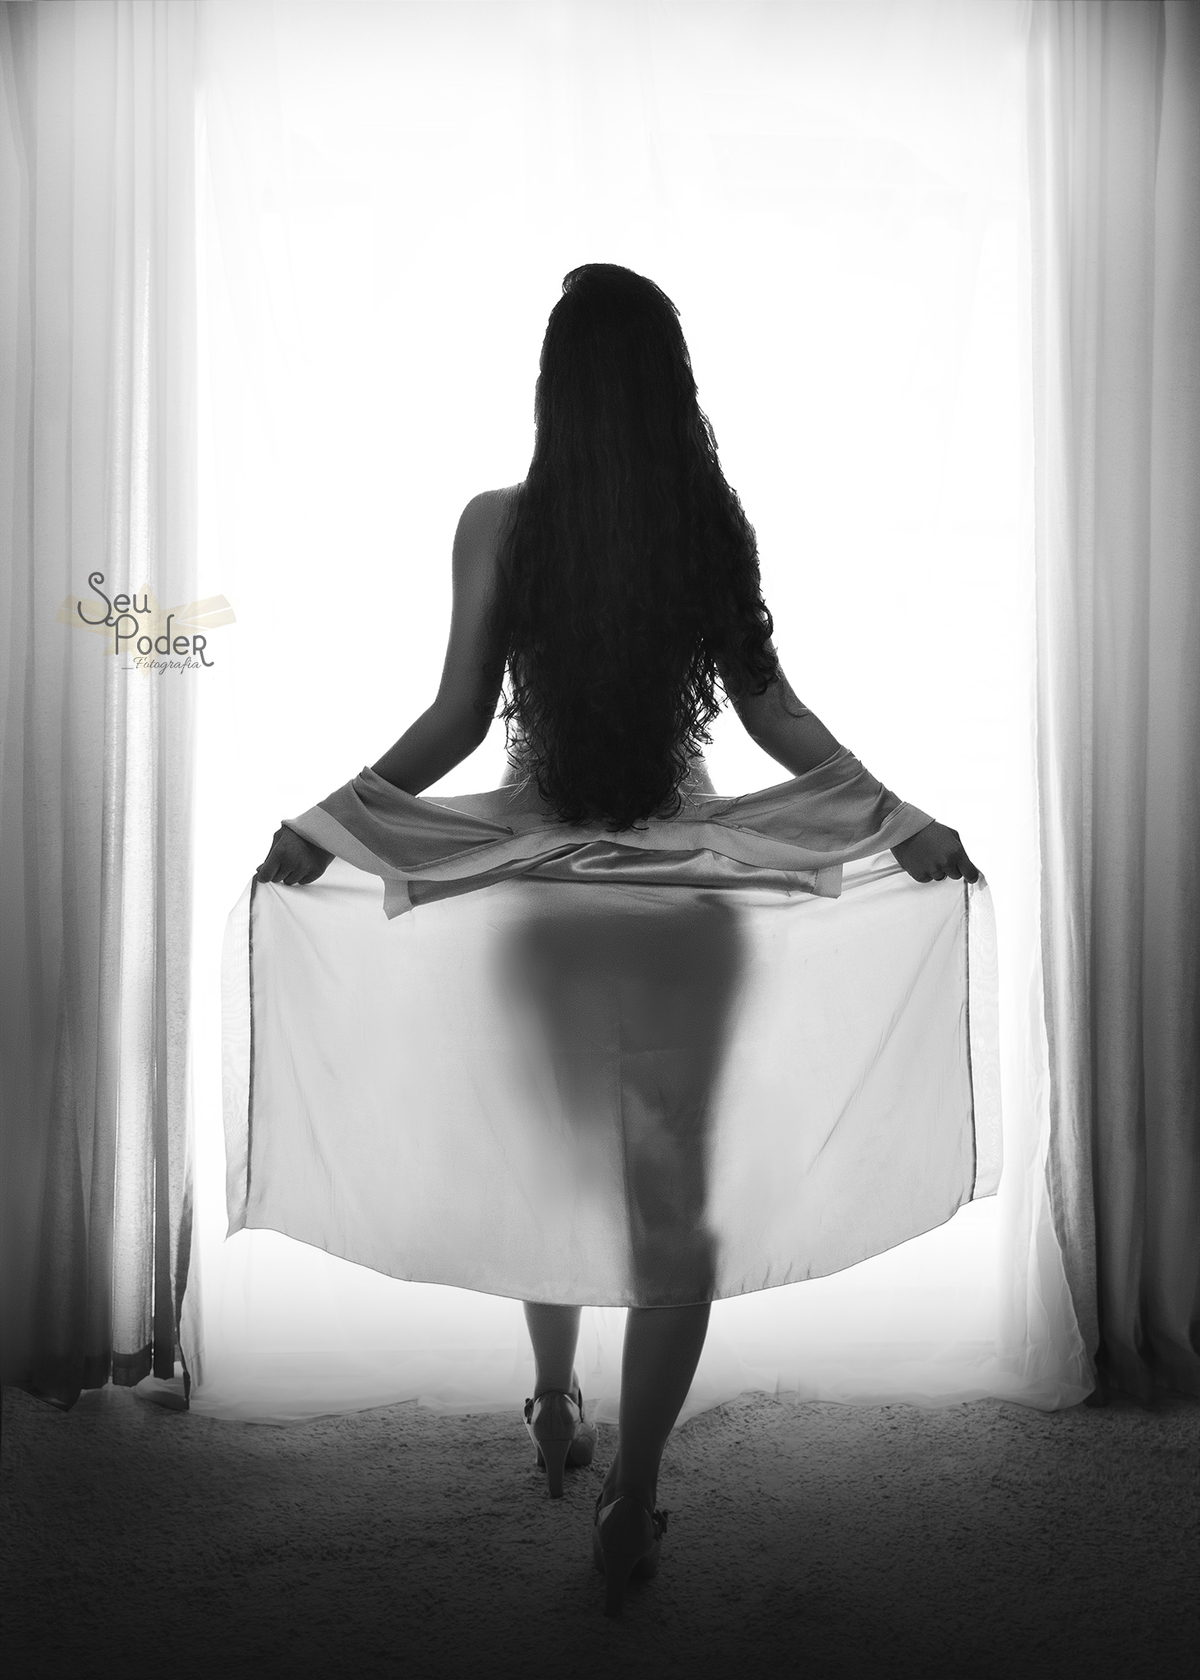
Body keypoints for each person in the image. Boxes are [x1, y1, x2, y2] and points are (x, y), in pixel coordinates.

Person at [255, 263, 979, 1615]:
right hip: (678, 906)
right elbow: (775, 716)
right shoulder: (707, 524)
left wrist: (333, 822)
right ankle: (632, 1500)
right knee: (671, 1204)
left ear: (555, 390)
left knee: (556, 1171)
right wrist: (900, 819)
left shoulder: (499, 525)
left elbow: (456, 719)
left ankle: (551, 1404)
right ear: (670, 388)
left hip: (542, 901)